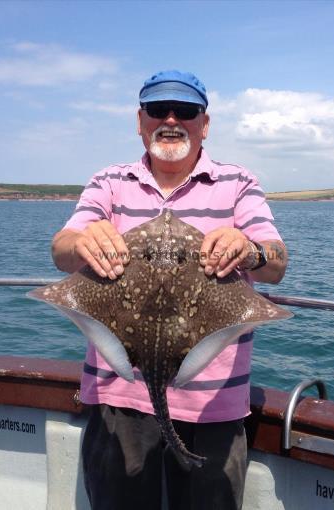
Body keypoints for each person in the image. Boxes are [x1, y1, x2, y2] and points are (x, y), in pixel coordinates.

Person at [51, 70, 287, 510]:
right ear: (140, 120)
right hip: (118, 396)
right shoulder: (109, 182)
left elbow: (276, 263)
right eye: (158, 110)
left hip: (212, 405)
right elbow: (61, 251)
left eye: (187, 111)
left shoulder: (238, 183)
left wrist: (249, 249)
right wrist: (80, 241)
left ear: (205, 123)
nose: (172, 120)